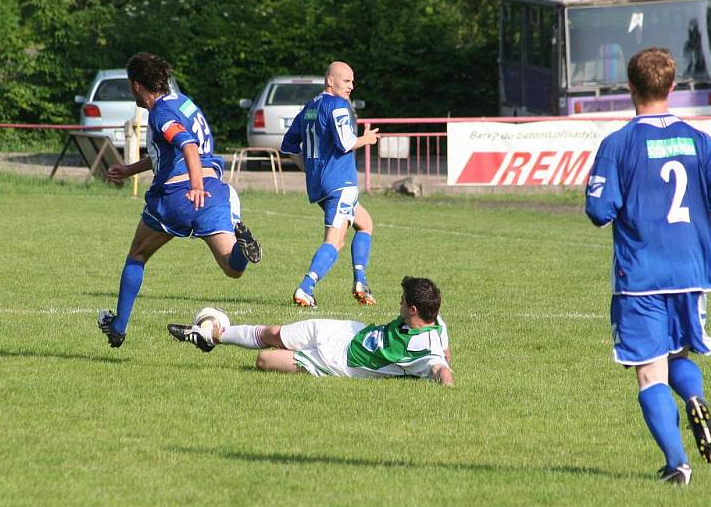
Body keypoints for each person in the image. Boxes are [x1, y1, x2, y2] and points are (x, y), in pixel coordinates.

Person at [585, 47, 711, 485]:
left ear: (630, 88)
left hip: (641, 274)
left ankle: (678, 463)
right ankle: (694, 396)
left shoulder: (618, 144)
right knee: (678, 356)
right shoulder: (698, 139)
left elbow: (600, 211)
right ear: (672, 88)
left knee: (650, 372)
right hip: (692, 270)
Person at [98, 52, 262, 348]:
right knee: (233, 268)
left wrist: (195, 186)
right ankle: (242, 247)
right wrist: (129, 170)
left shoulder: (160, 112)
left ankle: (118, 327)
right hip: (214, 194)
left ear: (136, 85)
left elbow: (186, 145)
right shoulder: (184, 103)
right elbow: (167, 152)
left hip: (178, 197)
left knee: (137, 255)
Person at [166, 276, 454, 386]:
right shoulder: (436, 322)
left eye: (403, 301)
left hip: (338, 364)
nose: (399, 303)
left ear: (414, 310)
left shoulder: (423, 349)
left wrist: (447, 385)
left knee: (265, 360)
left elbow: (440, 366)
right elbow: (444, 347)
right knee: (275, 333)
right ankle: (213, 334)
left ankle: (211, 334)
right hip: (346, 332)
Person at [280, 61, 380, 308]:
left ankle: (361, 281)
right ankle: (306, 287)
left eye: (352, 81)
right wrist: (366, 139)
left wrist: (311, 169)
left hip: (321, 187)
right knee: (334, 241)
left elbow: (288, 146)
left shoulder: (310, 107)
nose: (351, 87)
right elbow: (346, 143)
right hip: (340, 183)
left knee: (365, 224)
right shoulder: (338, 105)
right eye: (346, 81)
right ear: (330, 81)